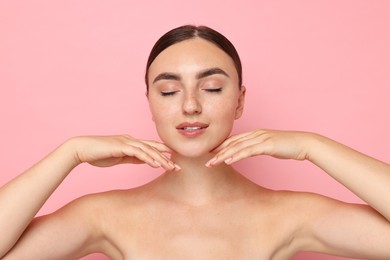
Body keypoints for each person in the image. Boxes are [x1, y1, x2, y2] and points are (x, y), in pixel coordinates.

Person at [0, 24, 389, 260]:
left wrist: (313, 146)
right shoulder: (103, 215)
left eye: (212, 87)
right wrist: (69, 154)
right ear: (150, 103)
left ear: (239, 101)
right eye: (168, 92)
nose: (189, 106)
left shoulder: (291, 214)